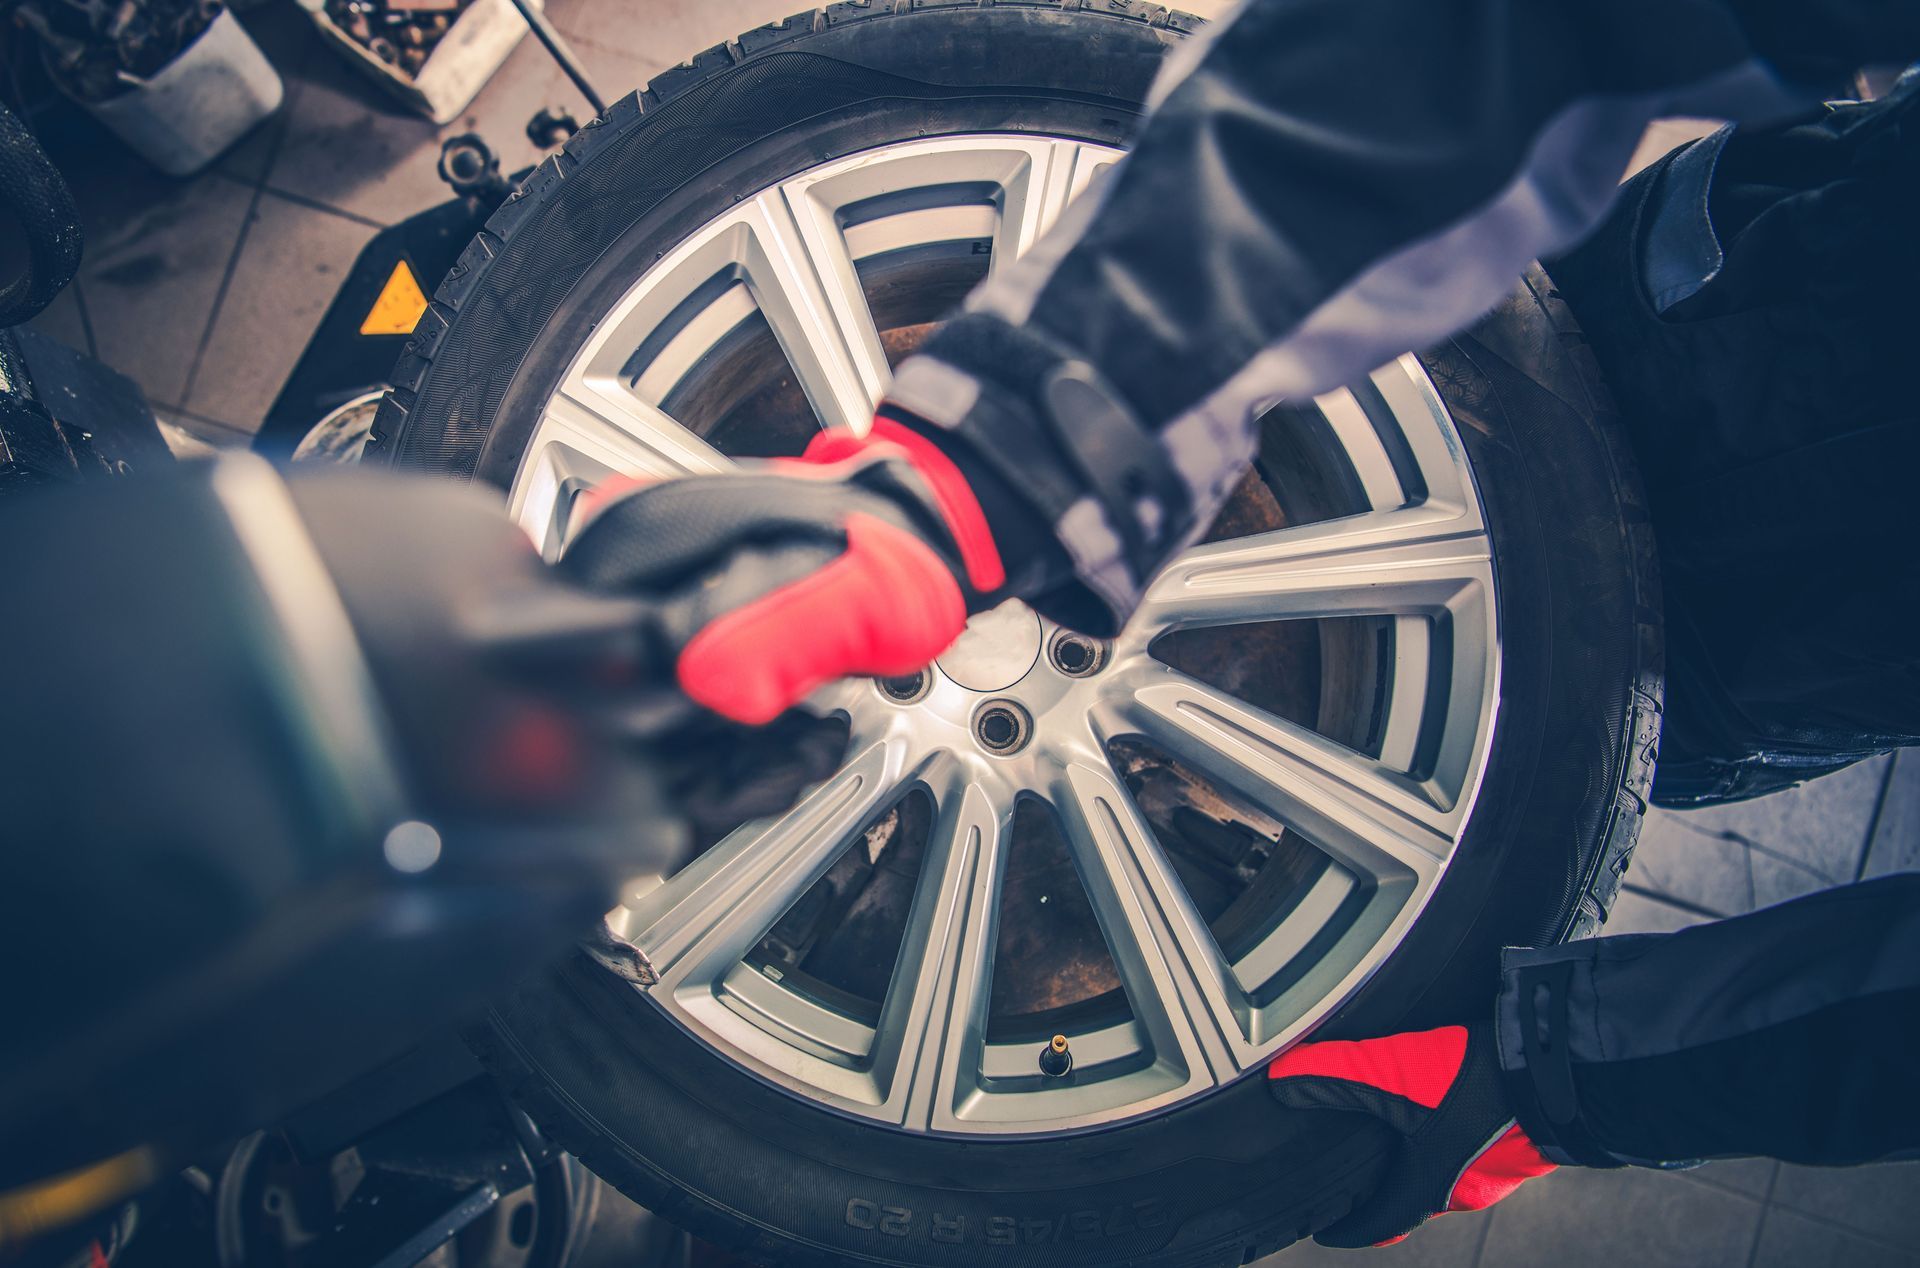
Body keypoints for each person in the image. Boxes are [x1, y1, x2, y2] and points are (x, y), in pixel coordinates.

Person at [556, 0, 1920, 1250]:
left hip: (1764, 659)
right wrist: (1004, 460)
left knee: (1523, 775)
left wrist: (1585, 1066)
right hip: (1721, 292)